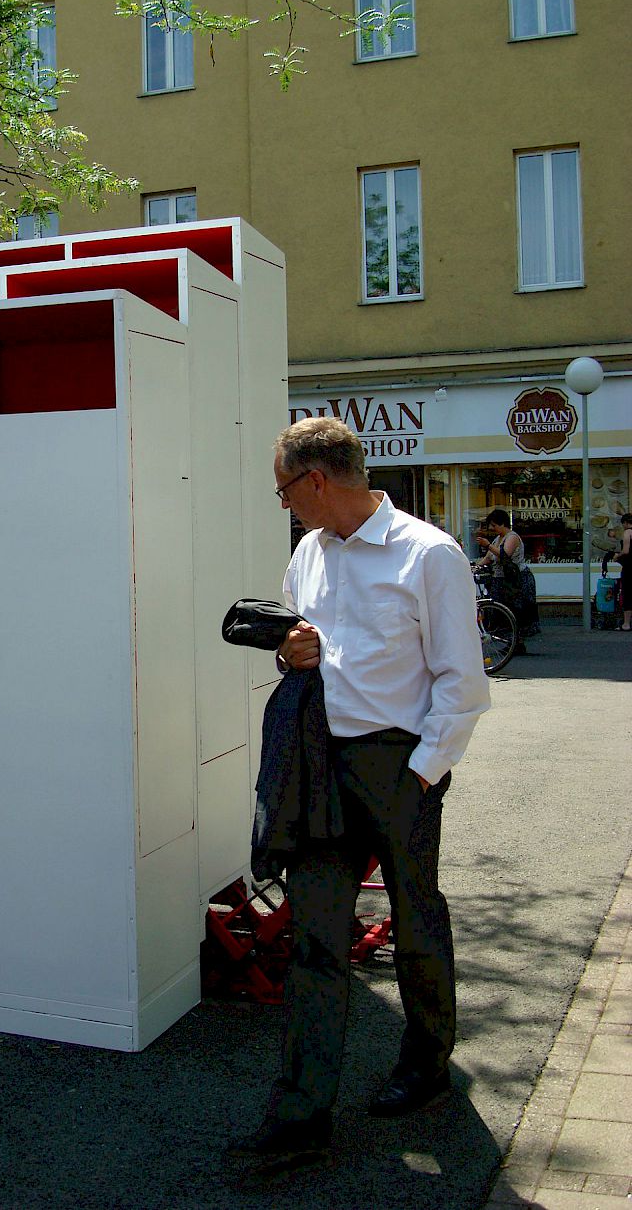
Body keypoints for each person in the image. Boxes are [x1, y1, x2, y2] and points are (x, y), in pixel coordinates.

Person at [227, 417, 490, 1173]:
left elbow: (462, 683)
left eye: (285, 490)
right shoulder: (308, 553)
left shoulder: (427, 553)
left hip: (397, 766)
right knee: (314, 940)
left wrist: (421, 771)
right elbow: (299, 647)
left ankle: (427, 1065)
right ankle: (301, 1115)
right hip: (318, 767)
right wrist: (289, 651)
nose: (285, 506)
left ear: (316, 480)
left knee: (416, 922)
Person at [473, 509, 540, 646]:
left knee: (515, 610)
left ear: (502, 523)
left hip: (515, 580)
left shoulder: (512, 537)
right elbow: (489, 558)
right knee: (502, 610)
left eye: (494, 525)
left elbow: (504, 554)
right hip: (501, 579)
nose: (492, 528)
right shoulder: (498, 539)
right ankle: (511, 642)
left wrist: (487, 545)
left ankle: (516, 642)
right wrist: (475, 567)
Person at [615, 512, 632, 631]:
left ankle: (626, 623)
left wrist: (617, 556)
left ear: (625, 523)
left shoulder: (627, 532)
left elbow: (626, 551)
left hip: (630, 567)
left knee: (628, 593)